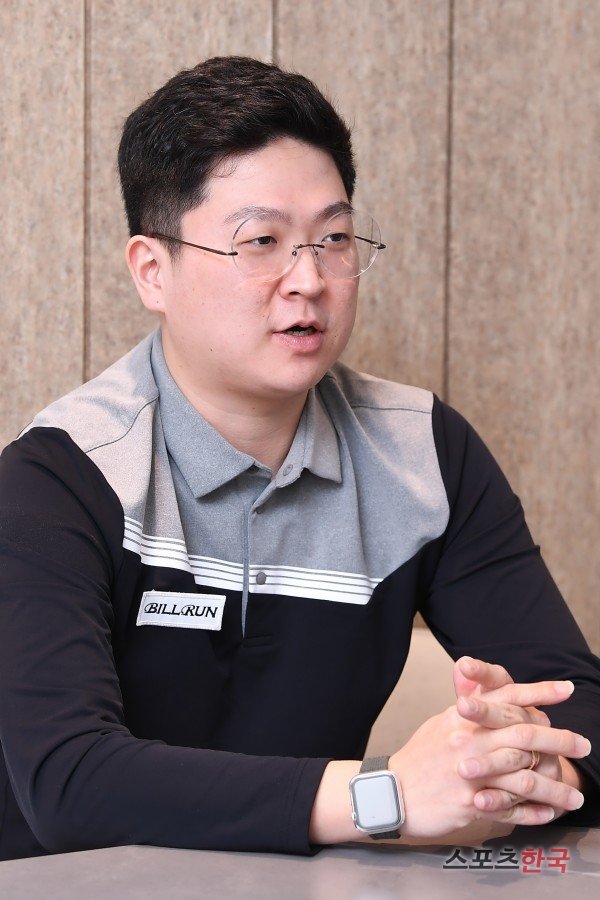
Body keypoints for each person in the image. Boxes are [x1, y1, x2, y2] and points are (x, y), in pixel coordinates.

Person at [0, 56, 598, 862]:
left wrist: (517, 757)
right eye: (262, 242)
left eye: (334, 239)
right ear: (153, 271)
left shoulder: (425, 452)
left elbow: (581, 709)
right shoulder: (62, 477)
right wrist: (385, 795)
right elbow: (70, 784)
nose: (309, 279)